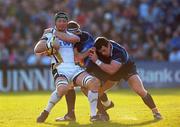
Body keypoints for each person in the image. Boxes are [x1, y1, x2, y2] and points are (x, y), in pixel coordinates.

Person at [34, 12, 101, 123]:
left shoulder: (63, 33)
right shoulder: (48, 35)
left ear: (67, 22)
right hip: (60, 68)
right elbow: (37, 49)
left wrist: (54, 32)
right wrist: (50, 45)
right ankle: (45, 112)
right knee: (63, 89)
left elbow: (76, 39)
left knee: (94, 83)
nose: (62, 23)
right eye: (59, 21)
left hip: (74, 68)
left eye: (64, 21)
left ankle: (93, 116)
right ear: (55, 22)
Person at [87, 36, 162, 120]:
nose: (103, 53)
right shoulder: (98, 49)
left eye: (104, 50)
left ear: (108, 44)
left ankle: (156, 112)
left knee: (139, 90)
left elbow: (112, 70)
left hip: (126, 69)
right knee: (97, 92)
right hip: (112, 70)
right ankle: (108, 104)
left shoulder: (119, 52)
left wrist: (97, 60)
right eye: (101, 52)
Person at [55, 21, 113, 122]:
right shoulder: (75, 38)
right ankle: (71, 114)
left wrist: (78, 55)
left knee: (86, 88)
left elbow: (81, 56)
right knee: (70, 85)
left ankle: (103, 113)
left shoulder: (85, 38)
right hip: (85, 66)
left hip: (93, 66)